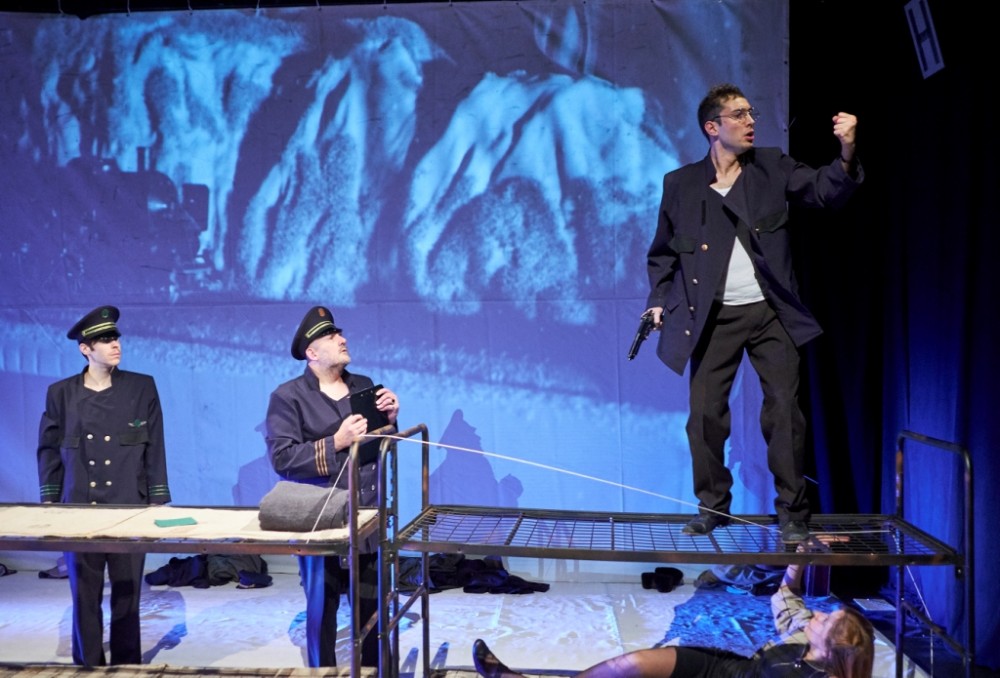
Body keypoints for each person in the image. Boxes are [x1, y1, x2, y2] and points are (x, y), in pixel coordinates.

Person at [644, 83, 863, 543]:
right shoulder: (681, 184)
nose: (750, 122)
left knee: (783, 413)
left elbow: (825, 190)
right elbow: (663, 254)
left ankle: (793, 514)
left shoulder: (771, 166)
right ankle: (713, 507)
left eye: (751, 113)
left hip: (770, 313)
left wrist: (846, 151)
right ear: (712, 127)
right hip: (712, 318)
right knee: (705, 416)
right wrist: (658, 300)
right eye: (739, 115)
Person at [265, 305, 400, 668]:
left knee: (372, 612)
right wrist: (336, 441)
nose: (342, 339)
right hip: (320, 521)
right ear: (312, 352)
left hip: (367, 519)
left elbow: (378, 445)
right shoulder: (288, 397)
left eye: (339, 333)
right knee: (322, 611)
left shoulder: (364, 386)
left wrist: (390, 420)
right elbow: (282, 457)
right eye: (331, 335)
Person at [36, 305, 171, 666]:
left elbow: (155, 444)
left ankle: (126, 666)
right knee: (85, 594)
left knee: (127, 594)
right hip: (79, 508)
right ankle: (89, 666)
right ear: (85, 349)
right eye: (105, 340)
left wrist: (157, 497)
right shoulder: (61, 393)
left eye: (116, 338)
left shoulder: (141, 387)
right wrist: (50, 501)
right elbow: (48, 449)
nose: (115, 345)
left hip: (129, 504)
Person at [472, 560, 875, 678]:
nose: (816, 615)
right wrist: (799, 561)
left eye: (824, 622)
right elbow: (785, 596)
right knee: (630, 665)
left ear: (831, 652)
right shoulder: (803, 635)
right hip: (723, 667)